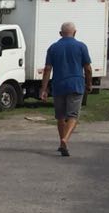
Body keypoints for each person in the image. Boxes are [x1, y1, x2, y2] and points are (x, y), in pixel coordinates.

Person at [39, 21, 94, 157]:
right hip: (76, 84)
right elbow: (87, 68)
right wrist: (89, 83)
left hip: (58, 85)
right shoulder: (81, 46)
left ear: (60, 33)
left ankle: (61, 142)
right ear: (75, 33)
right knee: (73, 116)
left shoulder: (53, 48)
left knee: (60, 116)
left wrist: (43, 89)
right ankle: (65, 139)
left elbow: (47, 69)